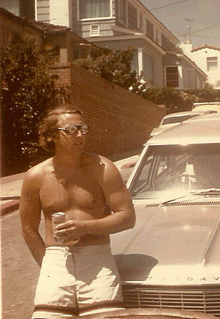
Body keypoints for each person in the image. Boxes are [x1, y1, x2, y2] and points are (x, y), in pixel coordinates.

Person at [19, 104, 136, 318]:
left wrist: (86, 227)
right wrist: (47, 265)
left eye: (83, 128)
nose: (80, 135)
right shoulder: (36, 176)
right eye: (71, 130)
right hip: (55, 261)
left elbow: (127, 217)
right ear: (53, 136)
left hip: (96, 258)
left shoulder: (103, 168)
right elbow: (28, 228)